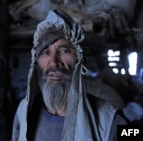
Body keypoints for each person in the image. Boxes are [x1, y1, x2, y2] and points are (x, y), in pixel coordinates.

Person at [11, 9, 129, 141]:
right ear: (36, 62)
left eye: (64, 50)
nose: (54, 62)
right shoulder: (23, 111)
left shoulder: (111, 121)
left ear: (79, 59)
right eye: (45, 52)